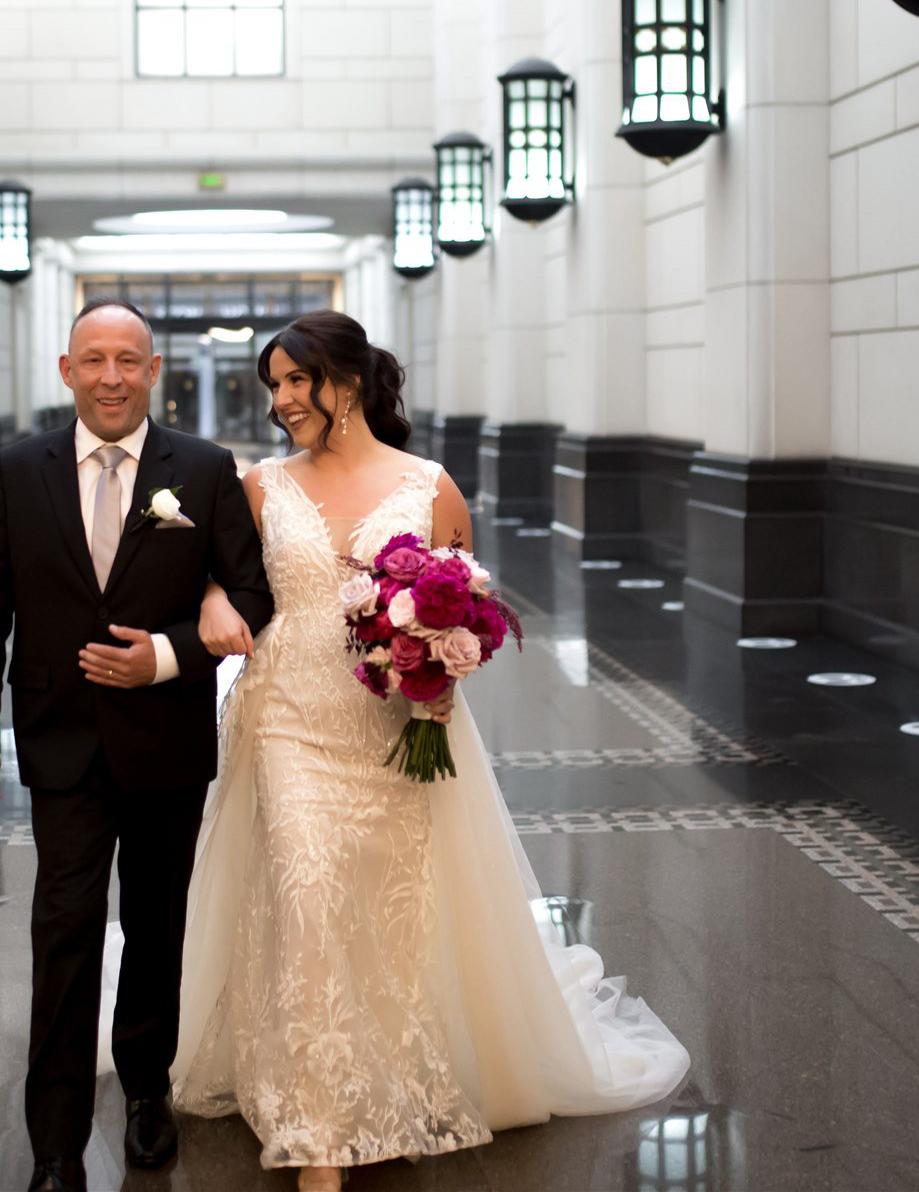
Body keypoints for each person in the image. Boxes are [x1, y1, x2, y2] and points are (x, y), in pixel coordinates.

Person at [157, 310, 690, 1192]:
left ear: (350, 383)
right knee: (309, 889)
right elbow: (226, 577)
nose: (283, 400)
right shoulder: (259, 486)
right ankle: (317, 1124)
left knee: (387, 904)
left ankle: (389, 1078)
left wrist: (437, 664)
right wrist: (215, 592)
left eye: (298, 381)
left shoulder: (431, 488)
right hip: (288, 713)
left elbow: (468, 613)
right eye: (275, 385)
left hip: (394, 723)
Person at [0, 298, 272, 1192]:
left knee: (158, 927)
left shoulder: (202, 471)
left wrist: (167, 657)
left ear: (154, 370)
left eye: (128, 360)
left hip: (165, 737)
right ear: (67, 371)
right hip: (57, 741)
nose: (111, 377)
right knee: (64, 929)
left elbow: (253, 594)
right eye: (93, 360)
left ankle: (144, 1095)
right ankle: (53, 1143)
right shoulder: (17, 470)